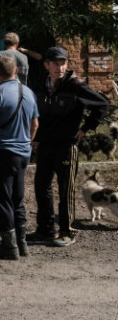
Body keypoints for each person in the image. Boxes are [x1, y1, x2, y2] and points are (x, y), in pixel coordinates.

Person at [31, 46, 109, 247]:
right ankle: (45, 229)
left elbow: (102, 105)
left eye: (63, 62)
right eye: (55, 63)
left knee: (65, 190)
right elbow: (37, 113)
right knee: (41, 186)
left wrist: (85, 128)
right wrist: (36, 137)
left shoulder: (75, 85)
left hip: (66, 145)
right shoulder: (40, 84)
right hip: (45, 144)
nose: (60, 67)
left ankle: (67, 231)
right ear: (47, 65)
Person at [0, 56, 39, 259]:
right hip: (23, 153)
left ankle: (9, 246)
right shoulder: (28, 92)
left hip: (1, 152)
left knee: (1, 198)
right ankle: (22, 244)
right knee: (17, 198)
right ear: (16, 71)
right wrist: (26, 144)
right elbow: (35, 124)